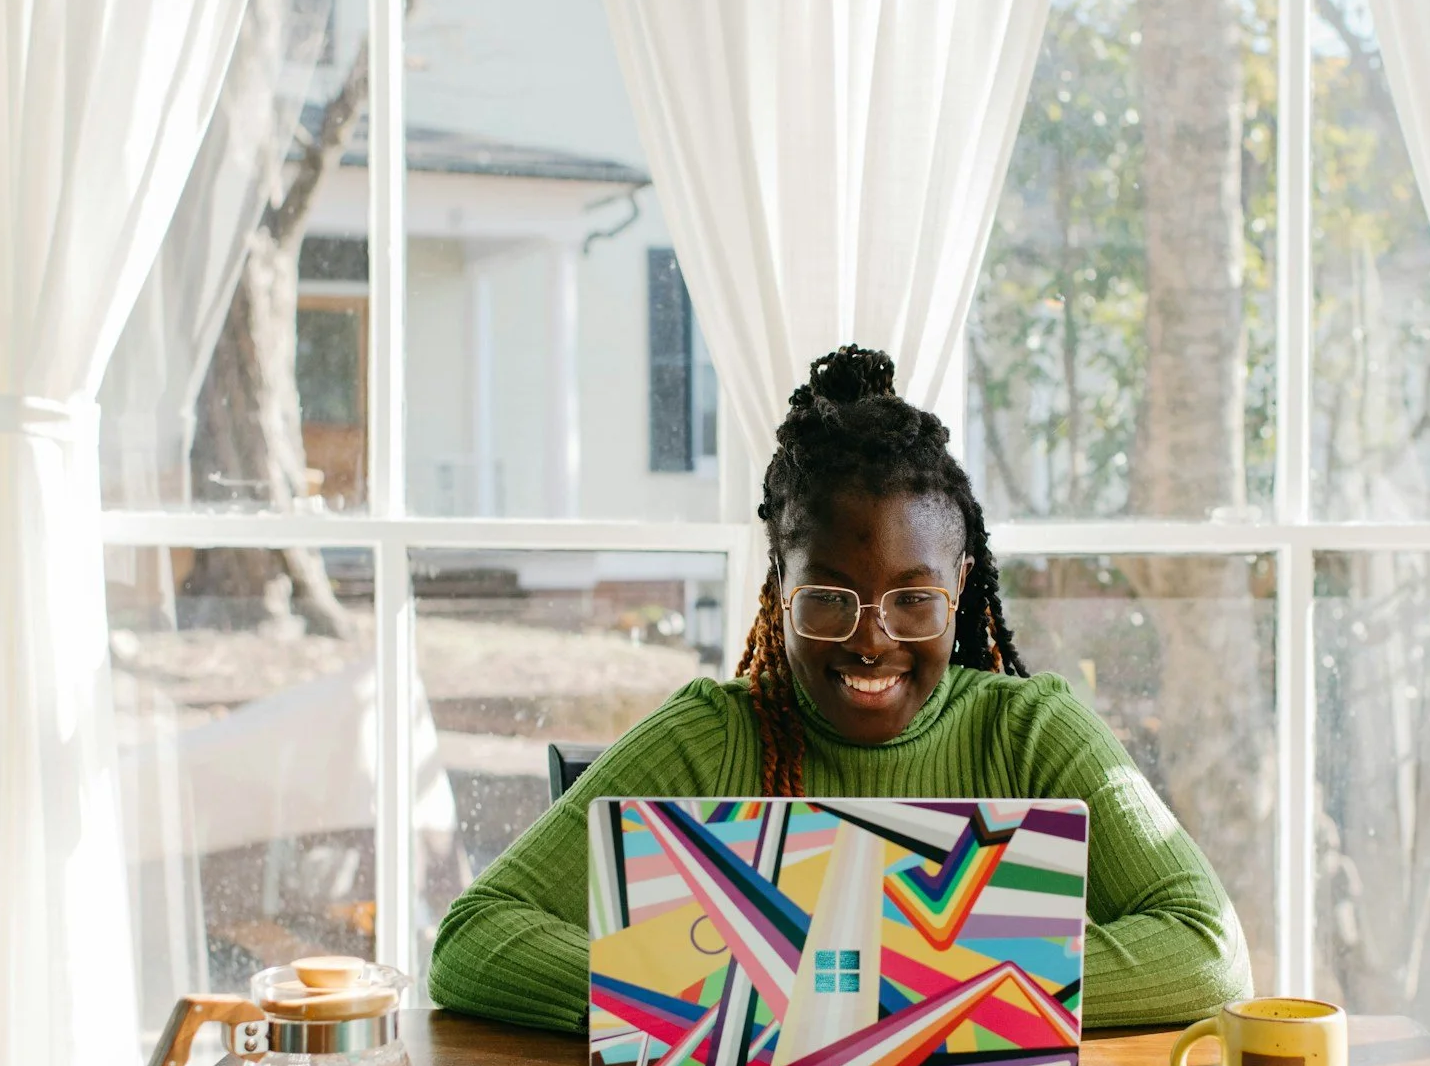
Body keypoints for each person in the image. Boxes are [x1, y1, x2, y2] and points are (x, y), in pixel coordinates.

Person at [428, 344, 1252, 1030]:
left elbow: (1208, 948)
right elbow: (472, 938)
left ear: (960, 588)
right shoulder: (712, 737)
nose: (870, 639)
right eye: (827, 597)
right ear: (779, 585)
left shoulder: (1028, 731)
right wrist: (703, 998)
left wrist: (881, 1000)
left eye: (913, 598)